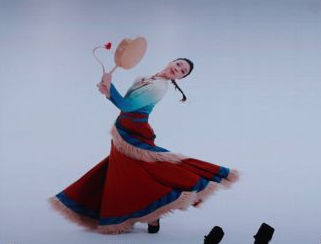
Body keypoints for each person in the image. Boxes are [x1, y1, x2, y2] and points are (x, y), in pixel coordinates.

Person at [50, 58, 239, 234]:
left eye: (183, 71)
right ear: (171, 62)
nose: (178, 69)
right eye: (179, 64)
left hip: (134, 133)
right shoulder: (145, 78)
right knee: (131, 172)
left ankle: (159, 206)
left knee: (139, 171)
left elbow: (127, 106)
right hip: (124, 128)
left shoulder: (159, 87)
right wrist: (107, 90)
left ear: (181, 78)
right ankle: (151, 215)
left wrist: (111, 85)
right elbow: (124, 102)